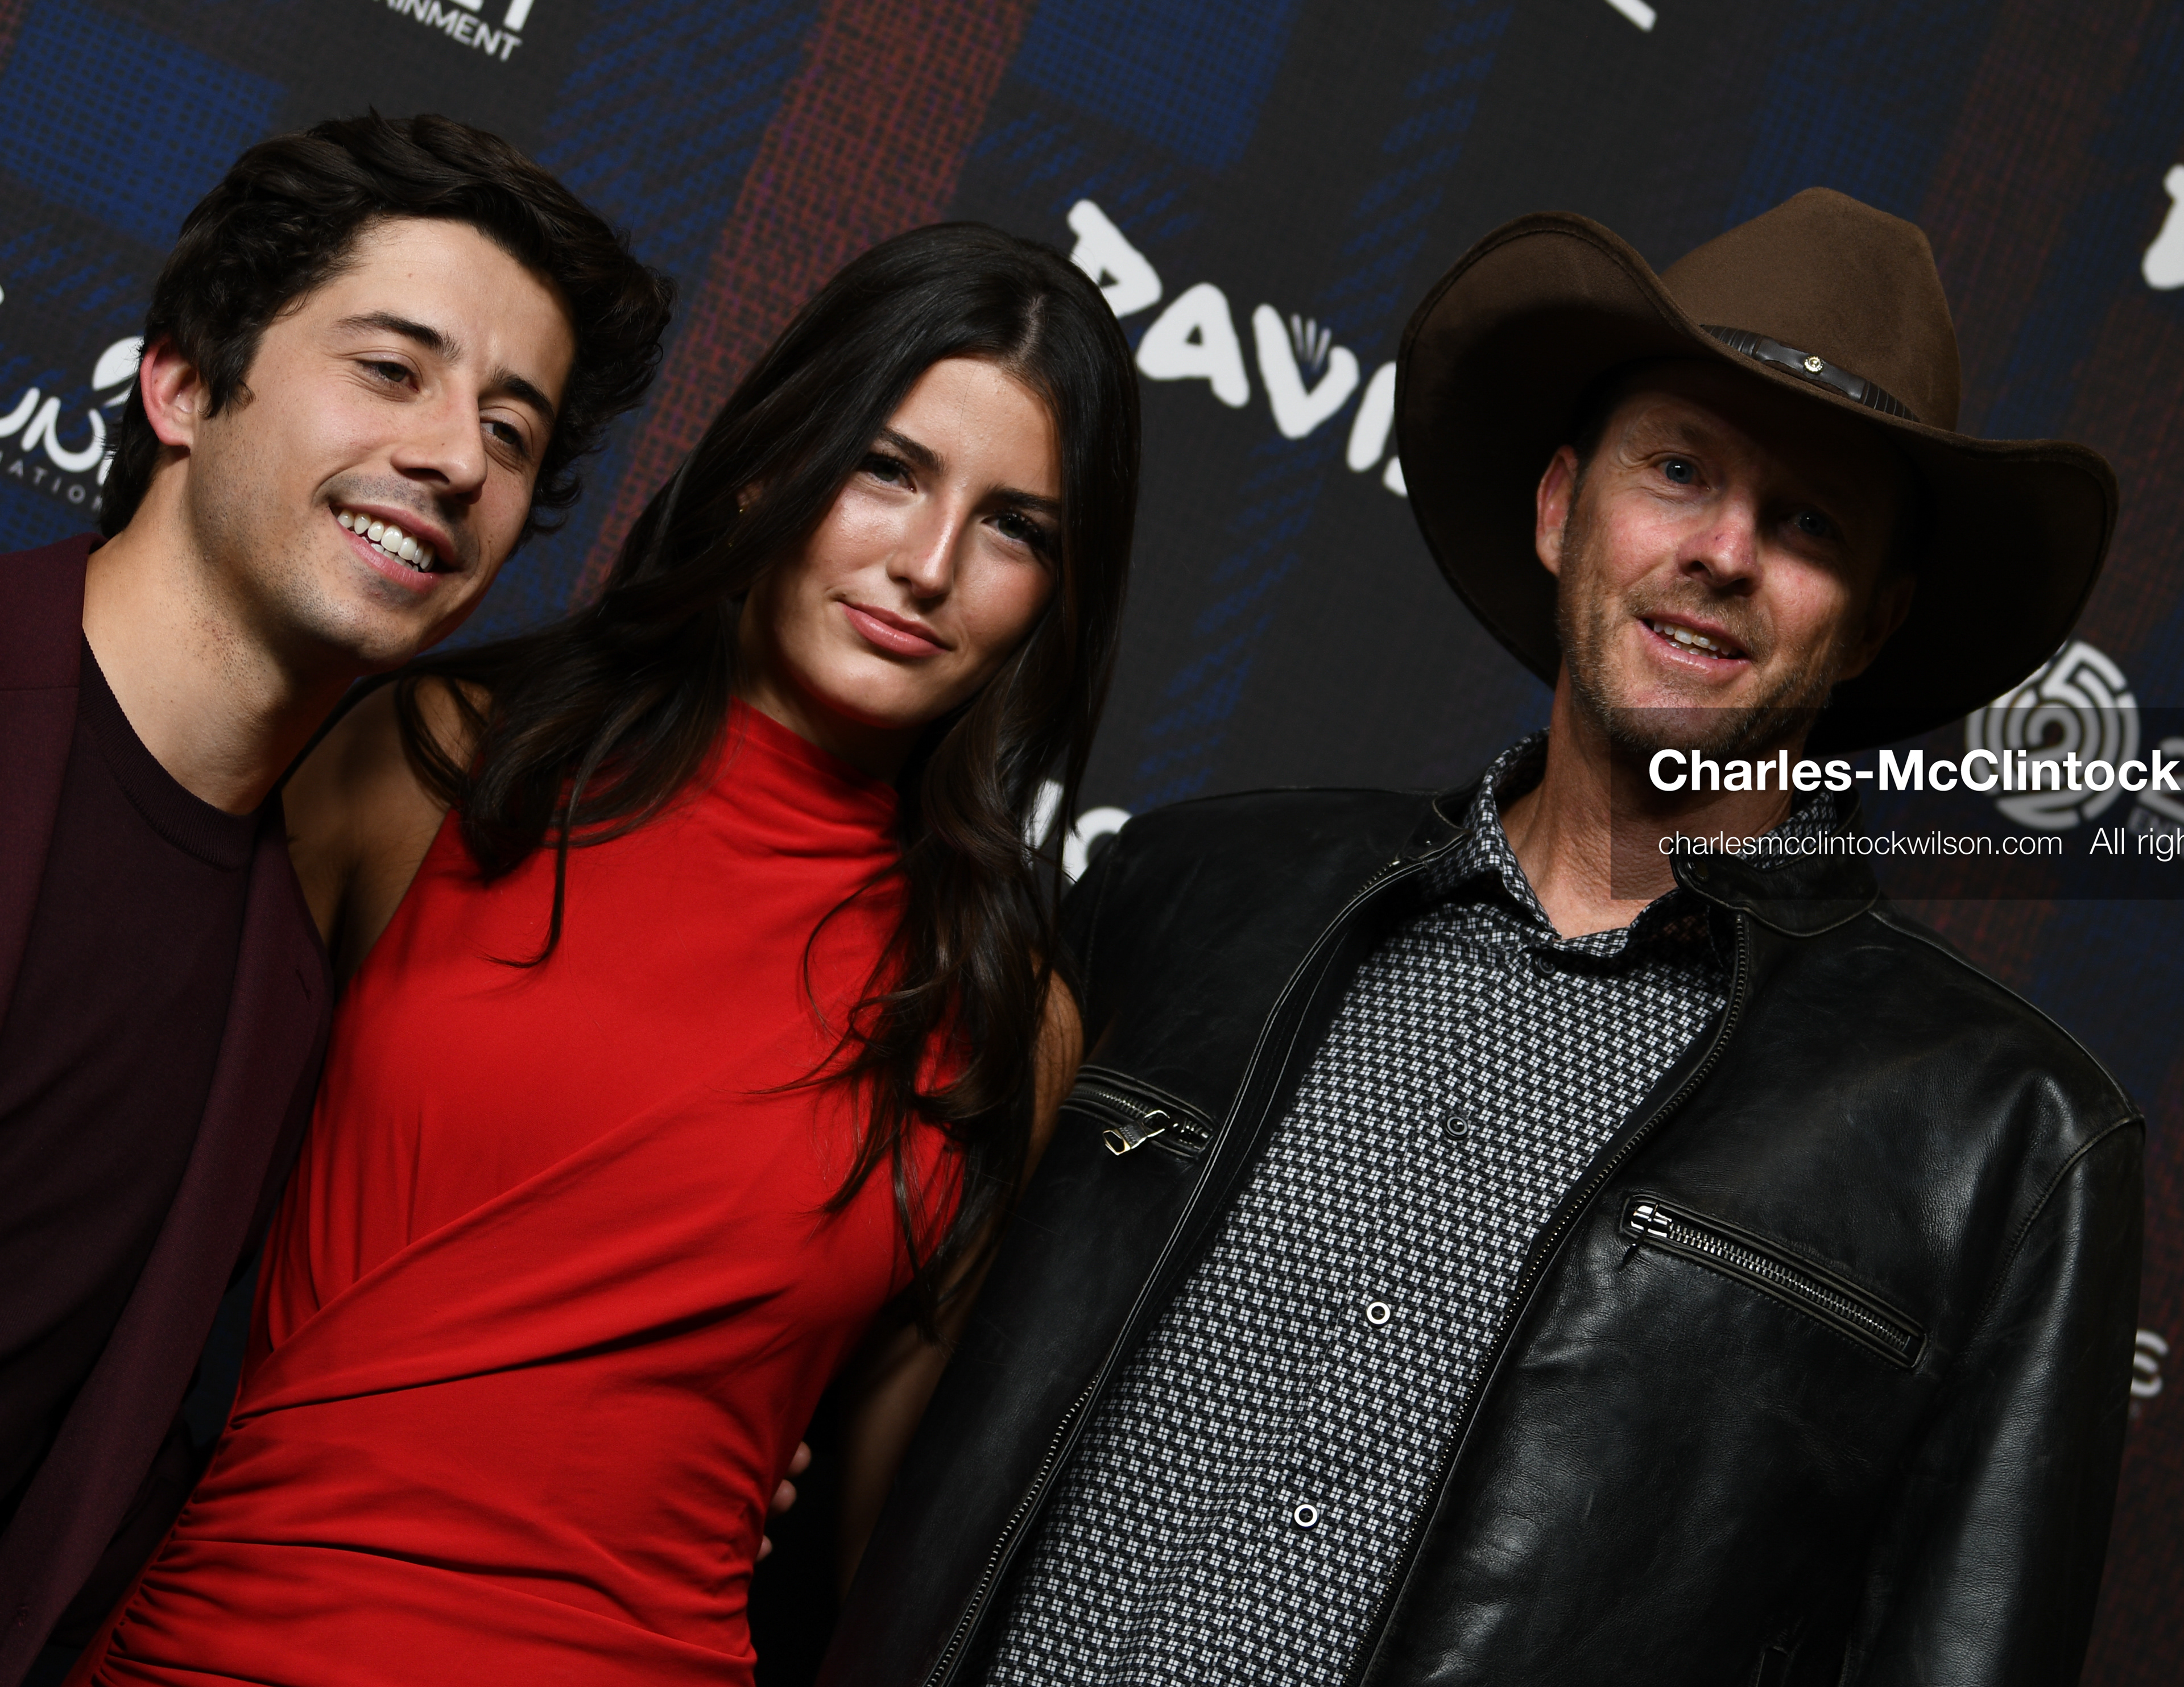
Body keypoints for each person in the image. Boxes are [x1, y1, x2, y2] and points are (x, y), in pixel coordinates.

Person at [826, 189, 2143, 1685]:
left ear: (1874, 621)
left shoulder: (2003, 1138)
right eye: (1680, 470)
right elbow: (881, 1364)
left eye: (1808, 521)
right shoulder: (1193, 892)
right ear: (1560, 504)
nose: (1722, 548)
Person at [72, 221, 1139, 1686]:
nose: (932, 565)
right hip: (223, 1640)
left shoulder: (1003, 1014)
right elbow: (110, 1194)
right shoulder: (445, 767)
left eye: (1017, 527)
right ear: (770, 461)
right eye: (886, 470)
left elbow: (899, 1569)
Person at [0, 113, 669, 1682]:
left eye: (514, 432)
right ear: (178, 384)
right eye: (393, 368)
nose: (454, 455)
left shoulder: (303, 980)